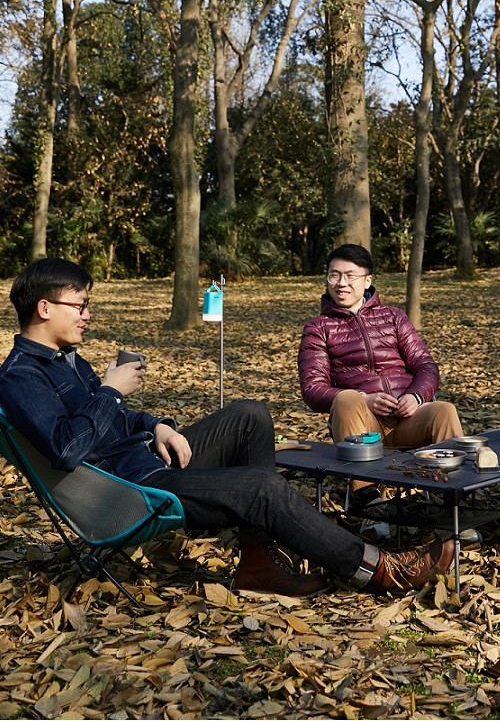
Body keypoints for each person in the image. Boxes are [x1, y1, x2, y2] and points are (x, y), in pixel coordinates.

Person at [0, 258, 454, 598]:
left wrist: (156, 424)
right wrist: (111, 390)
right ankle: (379, 570)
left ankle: (256, 563)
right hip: (130, 488)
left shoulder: (65, 360)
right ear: (44, 307)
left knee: (249, 415)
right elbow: (66, 448)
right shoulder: (21, 376)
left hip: (142, 457)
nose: (87, 314)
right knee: (260, 487)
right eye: (79, 305)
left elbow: (102, 422)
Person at [298, 244, 464, 507]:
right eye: (334, 275)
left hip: (407, 418)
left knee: (444, 410)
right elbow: (312, 388)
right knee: (347, 399)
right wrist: (364, 399)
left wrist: (416, 396)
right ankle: (369, 497)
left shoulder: (393, 317)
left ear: (367, 281)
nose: (341, 283)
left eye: (350, 276)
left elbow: (425, 365)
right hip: (362, 426)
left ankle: (455, 498)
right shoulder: (319, 328)